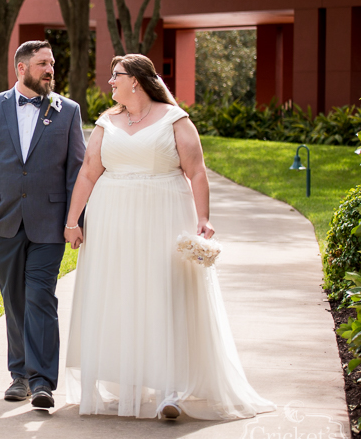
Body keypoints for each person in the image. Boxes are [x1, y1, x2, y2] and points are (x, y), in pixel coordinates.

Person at [62, 54, 274, 420]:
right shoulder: (105, 122)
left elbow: (197, 172)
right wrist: (72, 221)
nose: (110, 82)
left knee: (163, 293)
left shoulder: (176, 120)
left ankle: (169, 390)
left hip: (163, 217)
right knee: (119, 294)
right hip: (112, 220)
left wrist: (204, 219)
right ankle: (126, 380)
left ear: (137, 81)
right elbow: (87, 173)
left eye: (117, 76)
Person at [0, 41, 86, 408]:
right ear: (21, 68)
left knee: (39, 297)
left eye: (52, 63)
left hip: (50, 224)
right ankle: (18, 375)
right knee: (13, 299)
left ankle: (41, 383)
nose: (50, 69)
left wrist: (75, 221)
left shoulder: (68, 111)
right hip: (0, 222)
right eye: (42, 64)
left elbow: (76, 170)